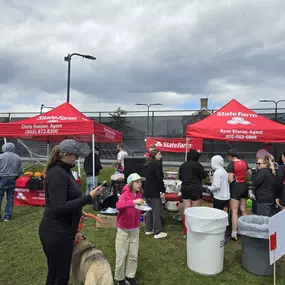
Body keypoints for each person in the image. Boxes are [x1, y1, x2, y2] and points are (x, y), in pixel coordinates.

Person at [38, 139, 104, 285]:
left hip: (63, 230)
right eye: (76, 155)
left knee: (56, 274)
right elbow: (59, 207)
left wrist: (78, 213)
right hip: (56, 232)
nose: (78, 158)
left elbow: (67, 201)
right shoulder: (57, 174)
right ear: (66, 154)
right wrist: (89, 197)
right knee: (60, 277)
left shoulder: (65, 171)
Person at [115, 173, 145, 285]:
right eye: (137, 182)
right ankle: (120, 278)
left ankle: (130, 275)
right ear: (131, 183)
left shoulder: (139, 195)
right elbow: (119, 205)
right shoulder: (125, 194)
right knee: (121, 255)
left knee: (133, 254)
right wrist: (133, 202)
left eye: (140, 182)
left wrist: (142, 207)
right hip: (123, 229)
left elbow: (139, 209)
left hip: (135, 229)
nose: (139, 184)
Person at [179, 149, 207, 235]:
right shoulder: (198, 165)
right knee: (195, 210)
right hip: (195, 189)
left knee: (186, 209)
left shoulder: (183, 165)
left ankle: (186, 230)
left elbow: (180, 177)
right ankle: (195, 230)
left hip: (185, 188)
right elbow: (204, 176)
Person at [227, 149, 251, 241]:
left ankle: (234, 233)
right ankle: (245, 231)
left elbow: (230, 179)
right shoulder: (244, 163)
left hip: (236, 186)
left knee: (234, 211)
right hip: (244, 185)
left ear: (230, 156)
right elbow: (249, 173)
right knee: (243, 210)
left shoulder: (231, 165)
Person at [144, 149, 167, 239]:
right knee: (156, 211)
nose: (160, 156)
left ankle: (149, 229)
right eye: (159, 154)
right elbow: (159, 178)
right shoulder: (157, 164)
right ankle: (157, 232)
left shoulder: (147, 164)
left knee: (148, 210)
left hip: (147, 190)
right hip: (154, 191)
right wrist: (163, 189)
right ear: (155, 155)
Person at [0, 142, 22, 221]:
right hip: (12, 178)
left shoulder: (1, 156)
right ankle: (8, 215)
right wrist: (16, 177)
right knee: (10, 197)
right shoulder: (17, 157)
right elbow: (20, 170)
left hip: (1, 178)